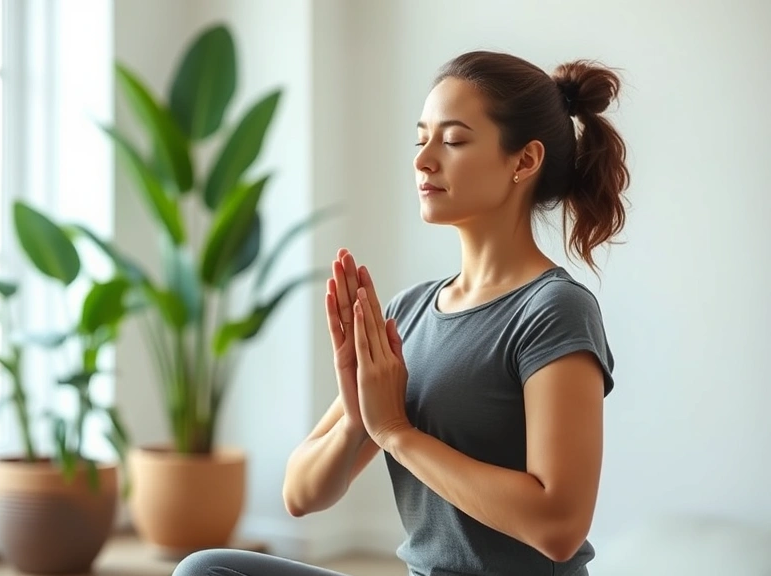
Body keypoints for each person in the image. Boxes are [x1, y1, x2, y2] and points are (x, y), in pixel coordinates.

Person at [173, 49, 629, 576]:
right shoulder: (408, 311)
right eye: (421, 139)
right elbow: (300, 496)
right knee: (208, 570)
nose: (423, 160)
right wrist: (355, 418)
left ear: (524, 161)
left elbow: (558, 527)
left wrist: (394, 430)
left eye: (453, 140)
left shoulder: (554, 309)